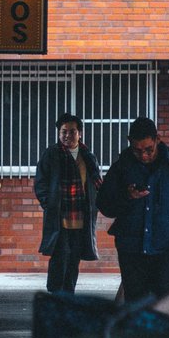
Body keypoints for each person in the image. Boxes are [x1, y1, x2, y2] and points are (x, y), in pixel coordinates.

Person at [96, 116, 169, 302]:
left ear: (157, 140)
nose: (143, 155)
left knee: (165, 304)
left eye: (148, 150)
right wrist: (127, 197)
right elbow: (104, 204)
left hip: (164, 247)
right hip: (131, 249)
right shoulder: (122, 167)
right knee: (135, 304)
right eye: (137, 151)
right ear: (129, 143)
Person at [33, 113, 102, 293]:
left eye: (72, 132)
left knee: (74, 260)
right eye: (63, 132)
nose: (67, 135)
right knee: (59, 259)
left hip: (81, 218)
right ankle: (55, 297)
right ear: (58, 133)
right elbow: (40, 183)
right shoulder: (51, 154)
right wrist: (50, 204)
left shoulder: (88, 156)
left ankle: (68, 297)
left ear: (80, 133)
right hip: (59, 218)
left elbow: (97, 184)